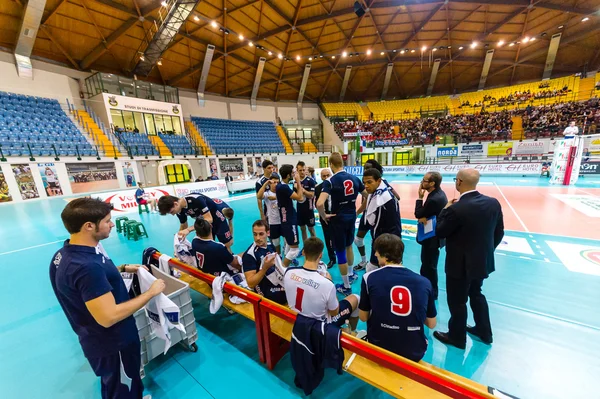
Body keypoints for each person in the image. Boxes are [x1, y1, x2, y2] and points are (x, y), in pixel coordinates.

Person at [50, 198, 165, 399]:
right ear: (89, 226)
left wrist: (122, 269)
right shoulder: (86, 267)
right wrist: (151, 293)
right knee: (121, 387)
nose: (112, 224)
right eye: (107, 221)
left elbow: (87, 282)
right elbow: (108, 316)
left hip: (95, 338)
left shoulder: (64, 254)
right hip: (114, 342)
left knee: (120, 383)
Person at [433, 169, 504, 349]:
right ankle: (484, 331)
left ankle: (457, 337)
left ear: (459, 182)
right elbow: (499, 232)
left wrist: (444, 210)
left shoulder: (456, 209)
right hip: (481, 262)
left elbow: (440, 231)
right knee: (476, 294)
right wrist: (485, 252)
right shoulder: (493, 203)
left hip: (459, 265)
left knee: (457, 301)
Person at [358, 234, 437, 363]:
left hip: (380, 346)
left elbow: (363, 317)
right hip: (415, 351)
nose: (376, 256)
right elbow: (431, 324)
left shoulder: (369, 278)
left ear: (384, 256)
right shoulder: (424, 282)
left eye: (377, 253)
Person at [283, 237, 359, 332]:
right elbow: (334, 312)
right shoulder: (326, 283)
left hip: (295, 318)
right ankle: (353, 333)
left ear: (303, 253)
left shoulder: (289, 272)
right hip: (319, 327)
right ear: (321, 255)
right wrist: (330, 281)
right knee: (356, 298)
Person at [317, 152, 366, 296]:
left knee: (340, 251)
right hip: (351, 217)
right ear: (342, 164)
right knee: (349, 245)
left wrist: (324, 215)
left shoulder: (330, 181)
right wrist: (358, 211)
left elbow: (320, 203)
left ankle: (346, 286)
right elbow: (367, 196)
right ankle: (350, 274)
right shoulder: (355, 178)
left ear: (331, 165)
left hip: (337, 219)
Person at [354, 159, 400, 271]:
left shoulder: (383, 194)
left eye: (369, 168)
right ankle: (364, 261)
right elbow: (367, 198)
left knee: (378, 263)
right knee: (358, 239)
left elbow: (397, 197)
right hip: (369, 212)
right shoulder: (372, 188)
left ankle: (373, 264)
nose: (366, 185)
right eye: (365, 168)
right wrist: (358, 213)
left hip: (381, 223)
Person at [158, 194, 235, 251]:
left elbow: (209, 219)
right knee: (207, 246)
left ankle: (232, 267)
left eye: (172, 212)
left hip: (217, 219)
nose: (173, 214)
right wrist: (177, 243)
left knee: (227, 245)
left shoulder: (196, 199)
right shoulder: (179, 210)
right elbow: (183, 225)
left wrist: (188, 230)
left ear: (175, 204)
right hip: (203, 222)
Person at [414, 171, 447, 300]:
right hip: (434, 236)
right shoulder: (438, 194)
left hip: (431, 238)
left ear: (432, 183)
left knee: (429, 266)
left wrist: (419, 198)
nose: (422, 182)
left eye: (425, 180)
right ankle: (428, 289)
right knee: (428, 265)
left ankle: (431, 292)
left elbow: (418, 213)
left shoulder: (433, 199)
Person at [242, 220, 287, 305]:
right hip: (265, 292)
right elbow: (250, 283)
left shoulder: (270, 245)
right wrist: (264, 268)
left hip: (275, 281)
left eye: (261, 234)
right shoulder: (250, 255)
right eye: (255, 234)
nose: (257, 238)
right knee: (288, 295)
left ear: (268, 233)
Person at [276, 164, 304, 267]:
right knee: (295, 250)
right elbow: (300, 198)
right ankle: (282, 269)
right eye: (293, 173)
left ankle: (283, 268)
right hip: (289, 220)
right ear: (288, 175)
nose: (295, 174)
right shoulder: (284, 187)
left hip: (286, 219)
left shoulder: (281, 185)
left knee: (288, 245)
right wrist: (298, 181)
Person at [314, 168, 335, 268]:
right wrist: (323, 215)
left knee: (338, 236)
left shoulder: (337, 186)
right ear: (321, 177)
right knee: (327, 238)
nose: (326, 177)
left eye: (328, 175)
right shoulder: (318, 189)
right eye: (324, 176)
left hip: (336, 216)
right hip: (324, 216)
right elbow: (317, 204)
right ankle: (332, 258)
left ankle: (339, 253)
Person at [257, 172, 282, 254]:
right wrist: (265, 184)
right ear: (270, 183)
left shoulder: (282, 192)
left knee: (287, 242)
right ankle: (278, 258)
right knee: (276, 243)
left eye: (277, 182)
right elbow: (259, 196)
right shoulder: (267, 194)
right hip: (273, 222)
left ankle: (288, 258)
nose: (275, 184)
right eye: (274, 182)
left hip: (283, 221)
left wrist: (277, 197)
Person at [296, 161, 317, 244]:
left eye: (303, 170)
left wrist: (303, 190)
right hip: (300, 209)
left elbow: (311, 195)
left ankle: (315, 246)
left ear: (305, 170)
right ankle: (306, 247)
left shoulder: (310, 181)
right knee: (302, 229)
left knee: (311, 229)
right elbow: (295, 196)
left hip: (309, 209)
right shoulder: (295, 182)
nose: (302, 172)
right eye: (300, 170)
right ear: (297, 170)